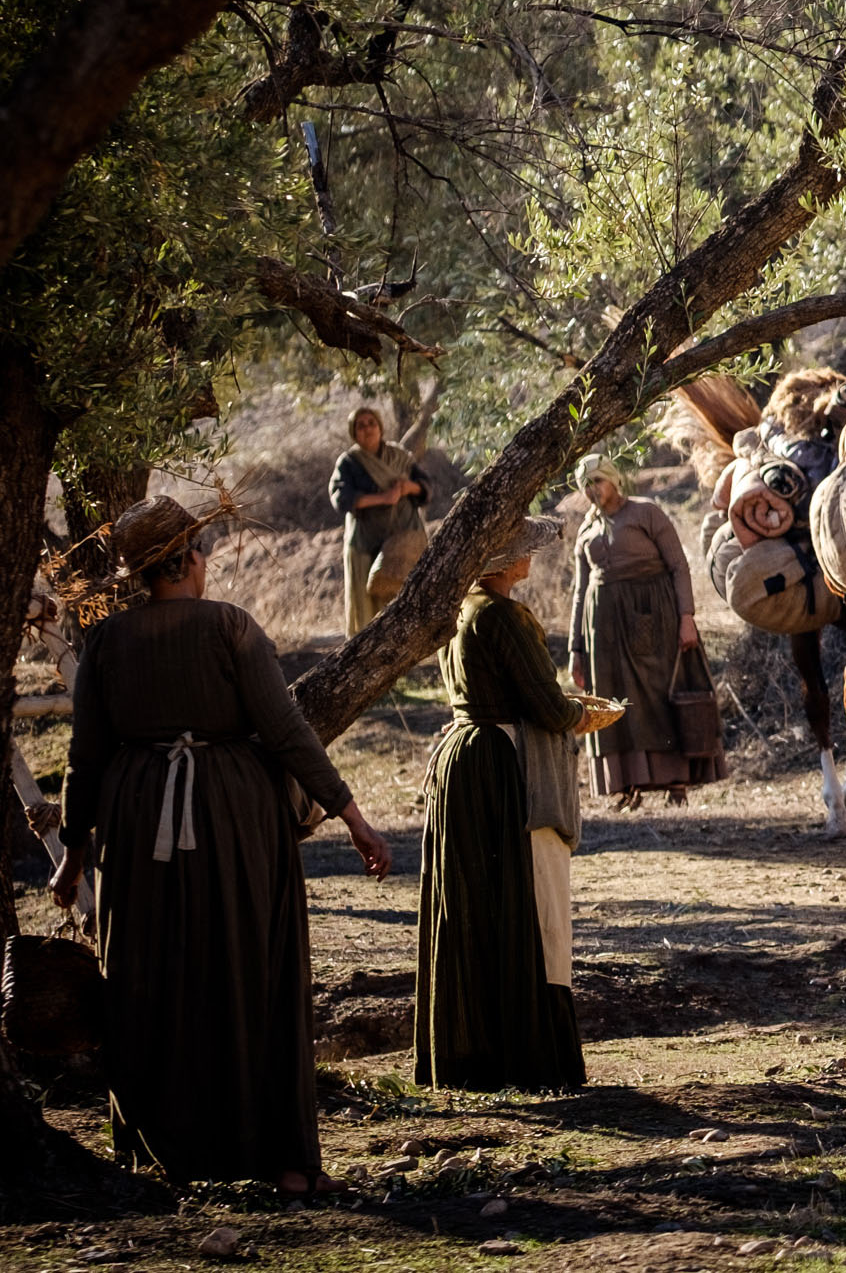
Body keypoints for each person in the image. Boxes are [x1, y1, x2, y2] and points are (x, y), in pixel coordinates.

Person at [46, 495, 394, 1190]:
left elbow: (85, 763)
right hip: (235, 820)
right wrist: (353, 817)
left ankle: (164, 1154)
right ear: (192, 557)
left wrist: (75, 857)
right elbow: (289, 733)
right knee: (249, 971)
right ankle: (282, 1161)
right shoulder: (230, 627)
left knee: (152, 979)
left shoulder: (108, 643)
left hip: (140, 824)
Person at [417, 515, 593, 1092]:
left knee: (474, 904)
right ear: (500, 562)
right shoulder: (501, 615)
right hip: (497, 766)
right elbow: (546, 705)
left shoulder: (462, 610)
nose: (532, 558)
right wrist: (581, 716)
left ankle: (473, 1057)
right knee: (519, 903)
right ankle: (529, 1057)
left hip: (462, 760)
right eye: (524, 550)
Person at [566, 458, 714, 806]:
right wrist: (576, 648)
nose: (593, 490)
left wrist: (686, 616)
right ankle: (627, 785)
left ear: (614, 479)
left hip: (653, 616)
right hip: (602, 630)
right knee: (614, 701)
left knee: (657, 693)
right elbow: (579, 588)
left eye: (598, 481)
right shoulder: (587, 529)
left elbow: (678, 565)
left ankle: (675, 782)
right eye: (585, 485)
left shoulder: (646, 513)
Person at [327, 406, 431, 632]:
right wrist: (382, 498)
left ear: (380, 427)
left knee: (403, 604)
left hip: (401, 545)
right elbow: (341, 500)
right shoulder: (349, 463)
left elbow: (426, 489)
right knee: (368, 613)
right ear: (354, 432)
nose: (367, 429)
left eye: (371, 423)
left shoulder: (400, 456)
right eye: (360, 425)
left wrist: (406, 488)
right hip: (366, 544)